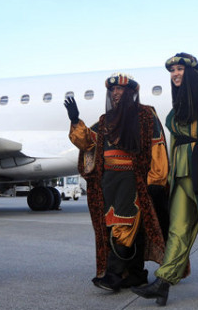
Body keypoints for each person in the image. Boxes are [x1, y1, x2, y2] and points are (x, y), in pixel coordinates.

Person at [133, 53, 198, 306]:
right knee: (177, 230)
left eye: (180, 69)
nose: (175, 74)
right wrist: (167, 176)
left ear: (191, 72)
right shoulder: (179, 104)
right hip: (180, 176)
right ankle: (164, 282)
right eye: (172, 71)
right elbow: (173, 144)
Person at [65, 73, 169, 292]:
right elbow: (87, 142)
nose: (115, 93)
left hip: (132, 180)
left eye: (120, 89)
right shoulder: (105, 121)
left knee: (124, 225)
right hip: (108, 182)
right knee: (116, 226)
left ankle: (112, 276)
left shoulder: (146, 115)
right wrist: (75, 120)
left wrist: (156, 181)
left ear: (130, 91)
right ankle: (135, 275)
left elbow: (157, 146)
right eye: (112, 90)